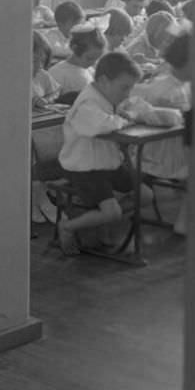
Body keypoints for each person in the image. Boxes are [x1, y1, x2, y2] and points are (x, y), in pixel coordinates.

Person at [56, 51, 141, 255]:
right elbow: (100, 125)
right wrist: (126, 120)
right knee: (112, 211)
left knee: (144, 195)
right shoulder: (87, 103)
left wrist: (126, 113)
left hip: (107, 163)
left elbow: (124, 111)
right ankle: (68, 227)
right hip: (84, 167)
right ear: (103, 81)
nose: (127, 94)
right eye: (124, 88)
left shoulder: (107, 96)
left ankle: (101, 219)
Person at [131, 30, 192, 234]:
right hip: (160, 153)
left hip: (177, 148)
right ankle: (184, 220)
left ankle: (187, 217)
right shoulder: (161, 89)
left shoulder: (187, 86)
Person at [50, 24, 106, 103]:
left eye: (97, 59)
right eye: (90, 58)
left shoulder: (91, 71)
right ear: (74, 48)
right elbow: (50, 101)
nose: (93, 63)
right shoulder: (58, 73)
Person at [31, 30, 60, 110]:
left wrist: (46, 99)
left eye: (43, 61)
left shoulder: (42, 75)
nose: (40, 66)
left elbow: (55, 92)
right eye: (34, 60)